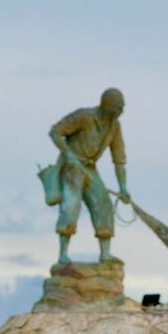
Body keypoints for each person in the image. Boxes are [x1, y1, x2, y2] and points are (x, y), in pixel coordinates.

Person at [46, 88, 132, 264]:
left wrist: (123, 187)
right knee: (71, 207)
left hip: (90, 168)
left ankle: (105, 253)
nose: (119, 113)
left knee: (104, 204)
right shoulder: (84, 116)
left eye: (121, 109)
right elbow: (56, 132)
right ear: (107, 106)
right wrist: (67, 153)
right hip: (71, 167)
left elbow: (119, 158)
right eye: (117, 109)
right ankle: (63, 254)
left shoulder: (114, 126)